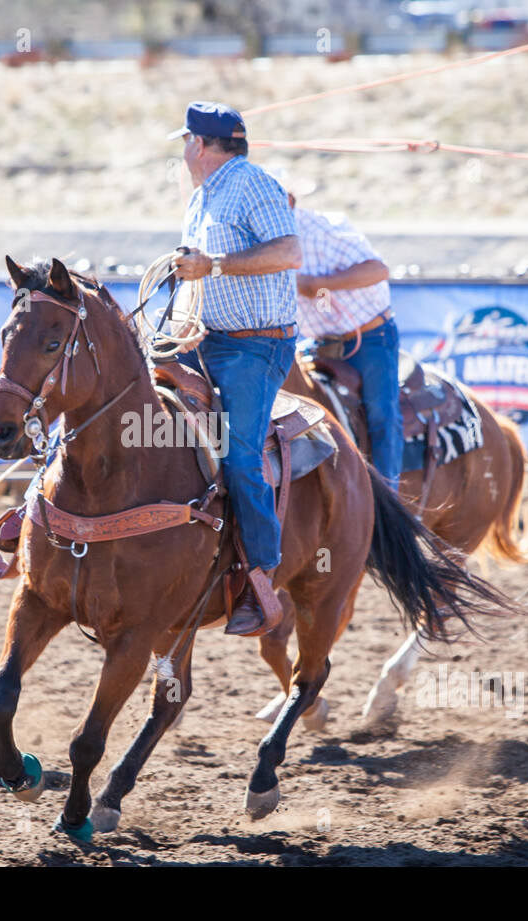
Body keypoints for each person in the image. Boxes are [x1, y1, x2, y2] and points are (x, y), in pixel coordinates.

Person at [168, 101, 300, 636]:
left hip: (254, 347)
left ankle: (260, 575)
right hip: (208, 338)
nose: (183, 151)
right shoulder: (202, 198)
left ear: (199, 144)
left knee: (238, 453)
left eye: (185, 142)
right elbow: (197, 276)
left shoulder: (253, 184)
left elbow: (290, 250)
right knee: (123, 393)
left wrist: (215, 265)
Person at [282, 174, 402, 490]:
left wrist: (314, 285)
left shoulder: (324, 230)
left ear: (289, 202)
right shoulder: (265, 244)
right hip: (320, 342)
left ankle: (388, 499)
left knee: (381, 416)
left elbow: (377, 270)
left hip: (369, 339)